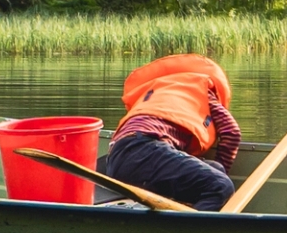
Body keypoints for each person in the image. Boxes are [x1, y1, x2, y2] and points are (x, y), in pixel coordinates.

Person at [103, 53, 251, 211]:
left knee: (215, 169)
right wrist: (220, 176)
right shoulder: (201, 90)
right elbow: (231, 131)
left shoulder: (156, 92)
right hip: (145, 151)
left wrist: (214, 171)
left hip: (117, 160)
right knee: (221, 186)